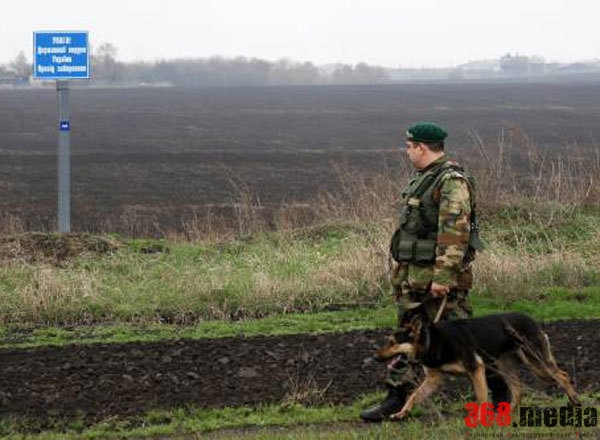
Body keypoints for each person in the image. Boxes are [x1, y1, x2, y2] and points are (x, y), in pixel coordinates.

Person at [360, 122, 508, 422]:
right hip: (415, 282)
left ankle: (500, 396)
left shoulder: (450, 182)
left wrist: (443, 277)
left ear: (422, 147)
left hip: (439, 285)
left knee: (468, 342)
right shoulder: (424, 179)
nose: (407, 151)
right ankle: (396, 396)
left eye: (409, 146)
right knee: (405, 337)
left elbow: (454, 233)